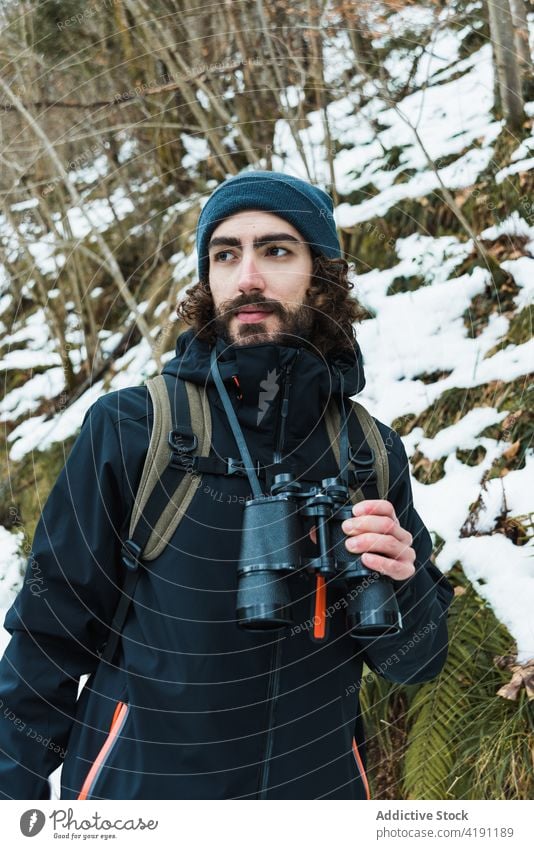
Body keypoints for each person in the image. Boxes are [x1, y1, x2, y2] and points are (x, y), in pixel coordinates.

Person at [0, 170, 454, 800]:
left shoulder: (367, 452)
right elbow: (47, 639)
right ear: (207, 278)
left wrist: (405, 587)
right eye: (224, 254)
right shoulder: (134, 429)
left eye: (275, 250)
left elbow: (416, 663)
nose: (247, 278)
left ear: (322, 275)